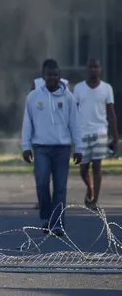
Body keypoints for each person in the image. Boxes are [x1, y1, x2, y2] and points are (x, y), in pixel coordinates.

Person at [21, 59, 82, 236]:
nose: (53, 78)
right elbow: (27, 123)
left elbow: (75, 124)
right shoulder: (34, 97)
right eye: (49, 75)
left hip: (62, 148)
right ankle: (46, 217)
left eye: (56, 75)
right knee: (41, 184)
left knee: (60, 187)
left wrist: (79, 147)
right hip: (41, 148)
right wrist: (26, 146)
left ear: (60, 76)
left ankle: (57, 224)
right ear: (43, 76)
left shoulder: (68, 97)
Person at [72, 58, 118, 210]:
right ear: (87, 69)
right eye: (90, 67)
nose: (93, 70)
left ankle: (95, 200)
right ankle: (89, 187)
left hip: (100, 131)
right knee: (83, 168)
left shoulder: (107, 89)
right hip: (82, 132)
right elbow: (73, 112)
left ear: (101, 70)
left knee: (97, 166)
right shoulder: (78, 88)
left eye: (96, 67)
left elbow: (111, 113)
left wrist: (115, 136)